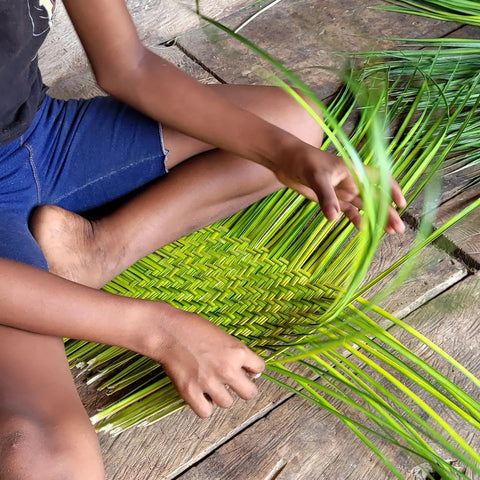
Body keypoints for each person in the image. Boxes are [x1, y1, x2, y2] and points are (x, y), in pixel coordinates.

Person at [0, 0, 406, 478]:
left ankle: (98, 252)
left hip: (42, 138)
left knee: (292, 123)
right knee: (45, 449)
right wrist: (157, 329)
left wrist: (286, 154)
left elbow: (127, 66)